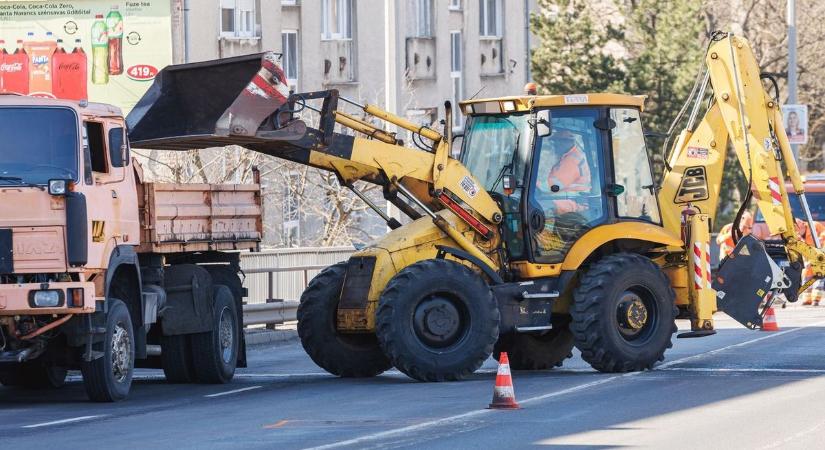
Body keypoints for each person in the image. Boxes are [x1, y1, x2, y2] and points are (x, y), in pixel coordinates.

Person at [543, 128, 591, 215]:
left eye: (556, 142)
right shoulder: (569, 157)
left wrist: (535, 184)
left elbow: (553, 186)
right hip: (569, 200)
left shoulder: (571, 161)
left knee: (542, 205)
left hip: (574, 203)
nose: (555, 145)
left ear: (566, 142)